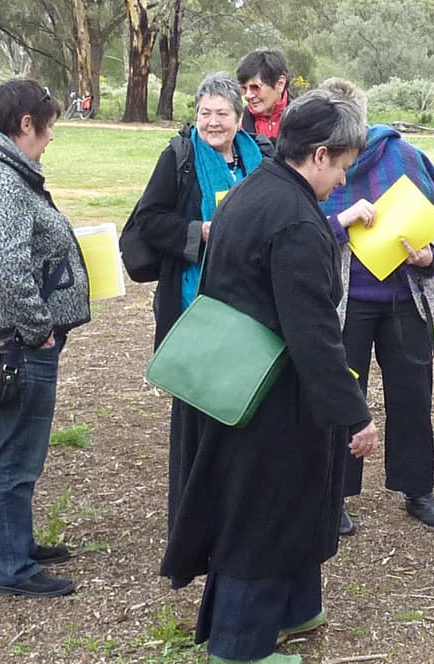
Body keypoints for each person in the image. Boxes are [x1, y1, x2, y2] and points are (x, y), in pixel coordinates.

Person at [160, 90, 380, 664]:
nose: (343, 179)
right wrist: (354, 413)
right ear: (319, 154)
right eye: (343, 165)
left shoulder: (256, 188)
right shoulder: (296, 221)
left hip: (237, 376)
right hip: (269, 394)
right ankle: (240, 648)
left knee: (296, 500)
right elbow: (313, 332)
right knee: (263, 510)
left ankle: (296, 607)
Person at [0, 78, 91, 597]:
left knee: (18, 452)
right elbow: (6, 267)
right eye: (48, 125)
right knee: (13, 456)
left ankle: (19, 544)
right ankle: (13, 569)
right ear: (26, 124)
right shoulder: (2, 183)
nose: (51, 136)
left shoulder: (3, 172)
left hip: (18, 337)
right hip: (16, 342)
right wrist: (38, 330)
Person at [129, 72, 273, 541]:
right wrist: (202, 232)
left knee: (243, 407)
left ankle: (238, 511)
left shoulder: (261, 156)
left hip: (251, 305)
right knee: (196, 414)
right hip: (194, 303)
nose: (213, 122)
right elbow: (149, 221)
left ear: (239, 117)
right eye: (205, 113)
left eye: (222, 114)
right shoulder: (180, 158)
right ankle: (191, 522)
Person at [315, 78, 434, 535]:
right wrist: (341, 222)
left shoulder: (404, 156)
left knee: (413, 396)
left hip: (403, 299)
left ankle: (418, 489)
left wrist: (427, 257)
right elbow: (301, 227)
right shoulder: (317, 161)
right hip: (345, 303)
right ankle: (335, 494)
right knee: (343, 396)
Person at [237, 49, 291, 142]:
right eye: (244, 88)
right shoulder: (238, 125)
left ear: (280, 84)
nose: (247, 96)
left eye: (255, 87)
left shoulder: (304, 120)